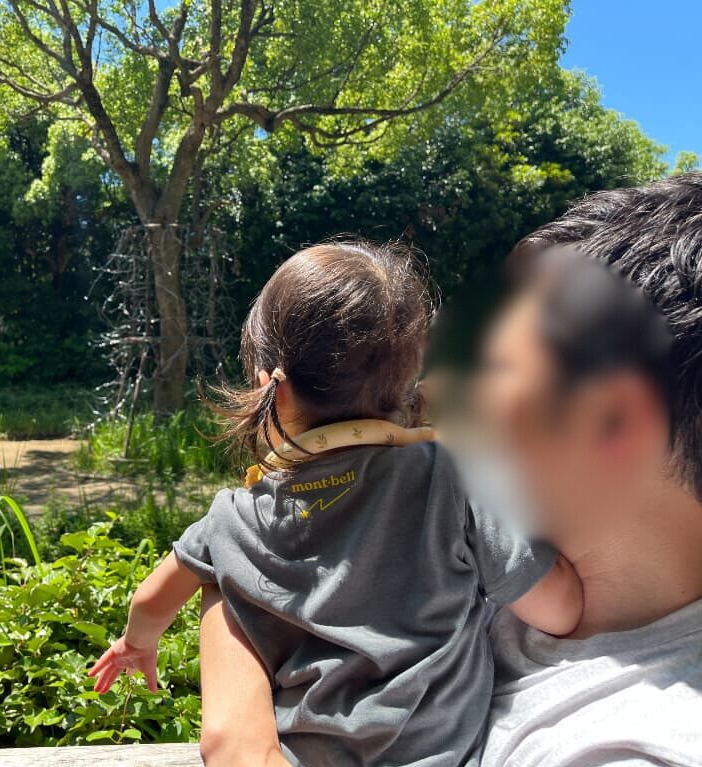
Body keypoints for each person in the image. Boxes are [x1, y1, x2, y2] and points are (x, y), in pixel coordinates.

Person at [197, 175, 702, 767]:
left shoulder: (632, 746)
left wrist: (230, 587)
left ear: (609, 420)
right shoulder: (485, 569)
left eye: (493, 364)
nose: (432, 389)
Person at [88, 241, 583, 767]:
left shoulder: (234, 516)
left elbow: (150, 600)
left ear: (270, 388)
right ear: (409, 380)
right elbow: (559, 608)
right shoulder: (450, 476)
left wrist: (135, 645)